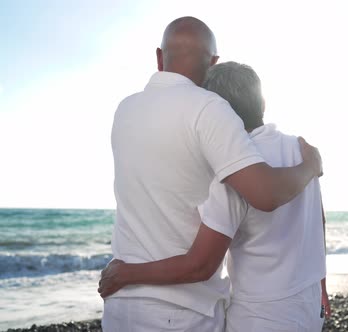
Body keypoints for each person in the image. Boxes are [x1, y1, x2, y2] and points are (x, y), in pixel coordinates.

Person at [101, 17, 322, 332]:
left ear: (160, 57)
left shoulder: (125, 109)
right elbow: (265, 194)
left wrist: (124, 273)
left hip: (122, 305)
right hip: (182, 311)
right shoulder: (211, 110)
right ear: (212, 63)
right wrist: (310, 167)